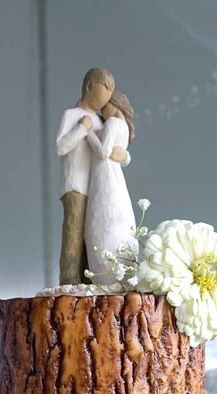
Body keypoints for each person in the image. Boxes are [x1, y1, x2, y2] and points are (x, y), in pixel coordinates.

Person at [55, 68, 129, 286]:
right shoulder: (72, 115)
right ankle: (68, 282)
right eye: (103, 92)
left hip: (99, 188)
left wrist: (125, 157)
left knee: (93, 237)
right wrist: (81, 129)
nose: (106, 100)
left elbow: (113, 147)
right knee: (73, 235)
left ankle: (89, 282)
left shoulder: (101, 121)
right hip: (76, 185)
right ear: (89, 87)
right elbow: (60, 147)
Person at [84, 91, 136, 285]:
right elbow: (123, 156)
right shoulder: (124, 127)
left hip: (104, 174)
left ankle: (104, 276)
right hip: (115, 176)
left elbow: (104, 151)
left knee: (102, 220)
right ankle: (120, 275)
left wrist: (87, 131)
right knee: (117, 218)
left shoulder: (113, 123)